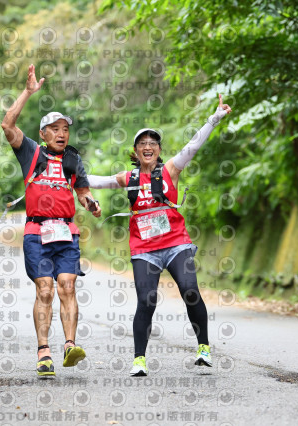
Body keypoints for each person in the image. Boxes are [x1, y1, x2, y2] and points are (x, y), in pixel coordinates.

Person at [87, 95, 231, 376]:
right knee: (146, 301)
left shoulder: (171, 170)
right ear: (135, 151)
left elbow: (193, 146)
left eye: (153, 143)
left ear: (159, 149)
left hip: (176, 243)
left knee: (190, 290)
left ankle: (203, 347)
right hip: (144, 249)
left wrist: (214, 119)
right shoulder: (128, 178)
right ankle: (139, 360)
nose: (148, 146)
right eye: (142, 143)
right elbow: (95, 181)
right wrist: (67, 173)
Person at [1, 64, 101, 376]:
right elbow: (7, 124)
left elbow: (82, 193)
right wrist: (28, 92)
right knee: (45, 289)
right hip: (37, 232)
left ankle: (70, 346)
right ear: (43, 134)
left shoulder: (73, 159)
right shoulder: (31, 152)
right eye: (55, 129)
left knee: (67, 286)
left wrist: (91, 203)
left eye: (65, 129)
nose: (61, 134)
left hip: (66, 233)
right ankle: (44, 352)